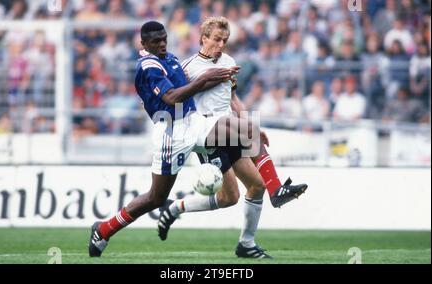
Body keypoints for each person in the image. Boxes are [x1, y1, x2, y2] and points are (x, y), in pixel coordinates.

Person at [88, 21, 255, 257]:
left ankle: (275, 185)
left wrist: (219, 77)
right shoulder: (148, 66)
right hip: (172, 133)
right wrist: (204, 78)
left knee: (245, 129)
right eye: (156, 41)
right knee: (156, 197)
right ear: (143, 44)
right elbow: (171, 98)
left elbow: (192, 88)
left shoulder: (171, 59)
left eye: (164, 39)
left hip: (195, 123)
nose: (162, 44)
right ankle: (104, 229)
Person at [157, 17, 308, 259]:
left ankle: (247, 243)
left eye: (224, 40)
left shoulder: (229, 62)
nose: (220, 44)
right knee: (230, 197)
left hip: (230, 130)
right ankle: (176, 207)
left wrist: (251, 125)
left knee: (256, 186)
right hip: (207, 136)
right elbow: (179, 99)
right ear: (203, 38)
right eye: (216, 39)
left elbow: (233, 100)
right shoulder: (187, 68)